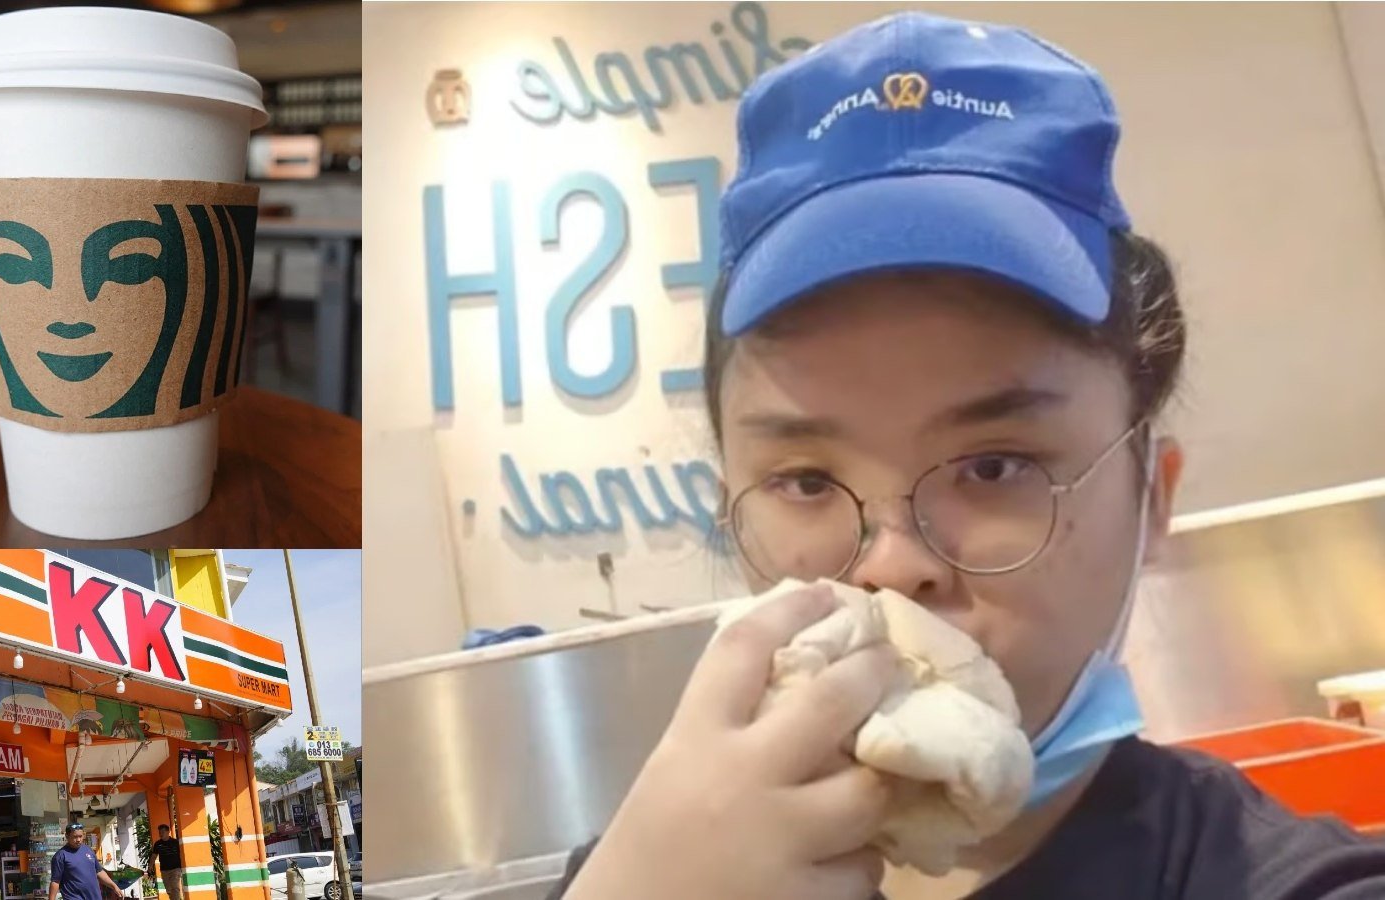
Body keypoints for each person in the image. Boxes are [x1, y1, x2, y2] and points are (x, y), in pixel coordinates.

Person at [548, 11, 1385, 900]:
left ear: (1154, 498)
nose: (893, 568)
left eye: (994, 466)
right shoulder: (637, 876)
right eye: (804, 481)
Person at [49, 824, 119, 900]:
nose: (78, 839)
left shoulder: (88, 850)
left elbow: (99, 871)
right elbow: (55, 881)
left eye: (80, 836)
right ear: (67, 836)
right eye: (75, 837)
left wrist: (113, 886)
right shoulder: (60, 856)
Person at [146, 825, 184, 900]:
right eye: (160, 832)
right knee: (169, 890)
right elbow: (154, 856)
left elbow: (182, 854)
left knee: (175, 887)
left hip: (175, 869)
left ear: (168, 832)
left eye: (163, 832)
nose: (161, 834)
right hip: (164, 870)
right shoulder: (158, 844)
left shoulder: (175, 842)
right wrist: (150, 866)